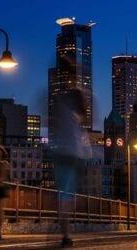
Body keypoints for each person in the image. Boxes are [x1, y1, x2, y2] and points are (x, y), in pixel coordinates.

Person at [51, 88, 92, 248]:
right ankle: (65, 234)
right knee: (66, 199)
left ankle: (65, 234)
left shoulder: (65, 113)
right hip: (70, 158)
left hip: (63, 157)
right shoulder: (75, 118)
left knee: (64, 198)